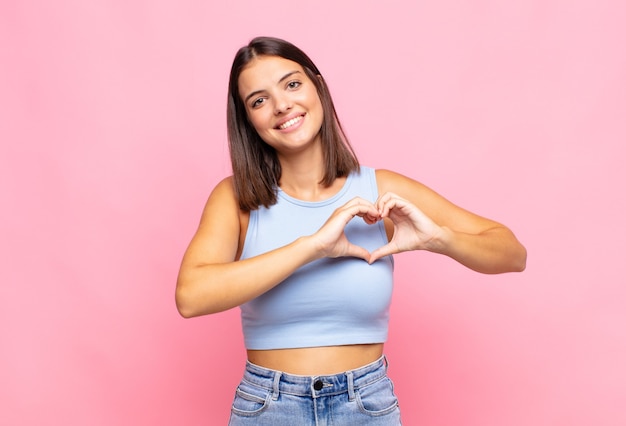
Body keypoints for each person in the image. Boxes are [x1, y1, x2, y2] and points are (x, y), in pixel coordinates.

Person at [176, 36, 527, 425]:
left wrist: (439, 239)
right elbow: (191, 297)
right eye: (259, 100)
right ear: (248, 120)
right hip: (270, 408)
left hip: (365, 406)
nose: (281, 106)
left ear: (318, 86)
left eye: (292, 84)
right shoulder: (236, 198)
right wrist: (312, 246)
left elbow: (512, 252)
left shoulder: (380, 189)